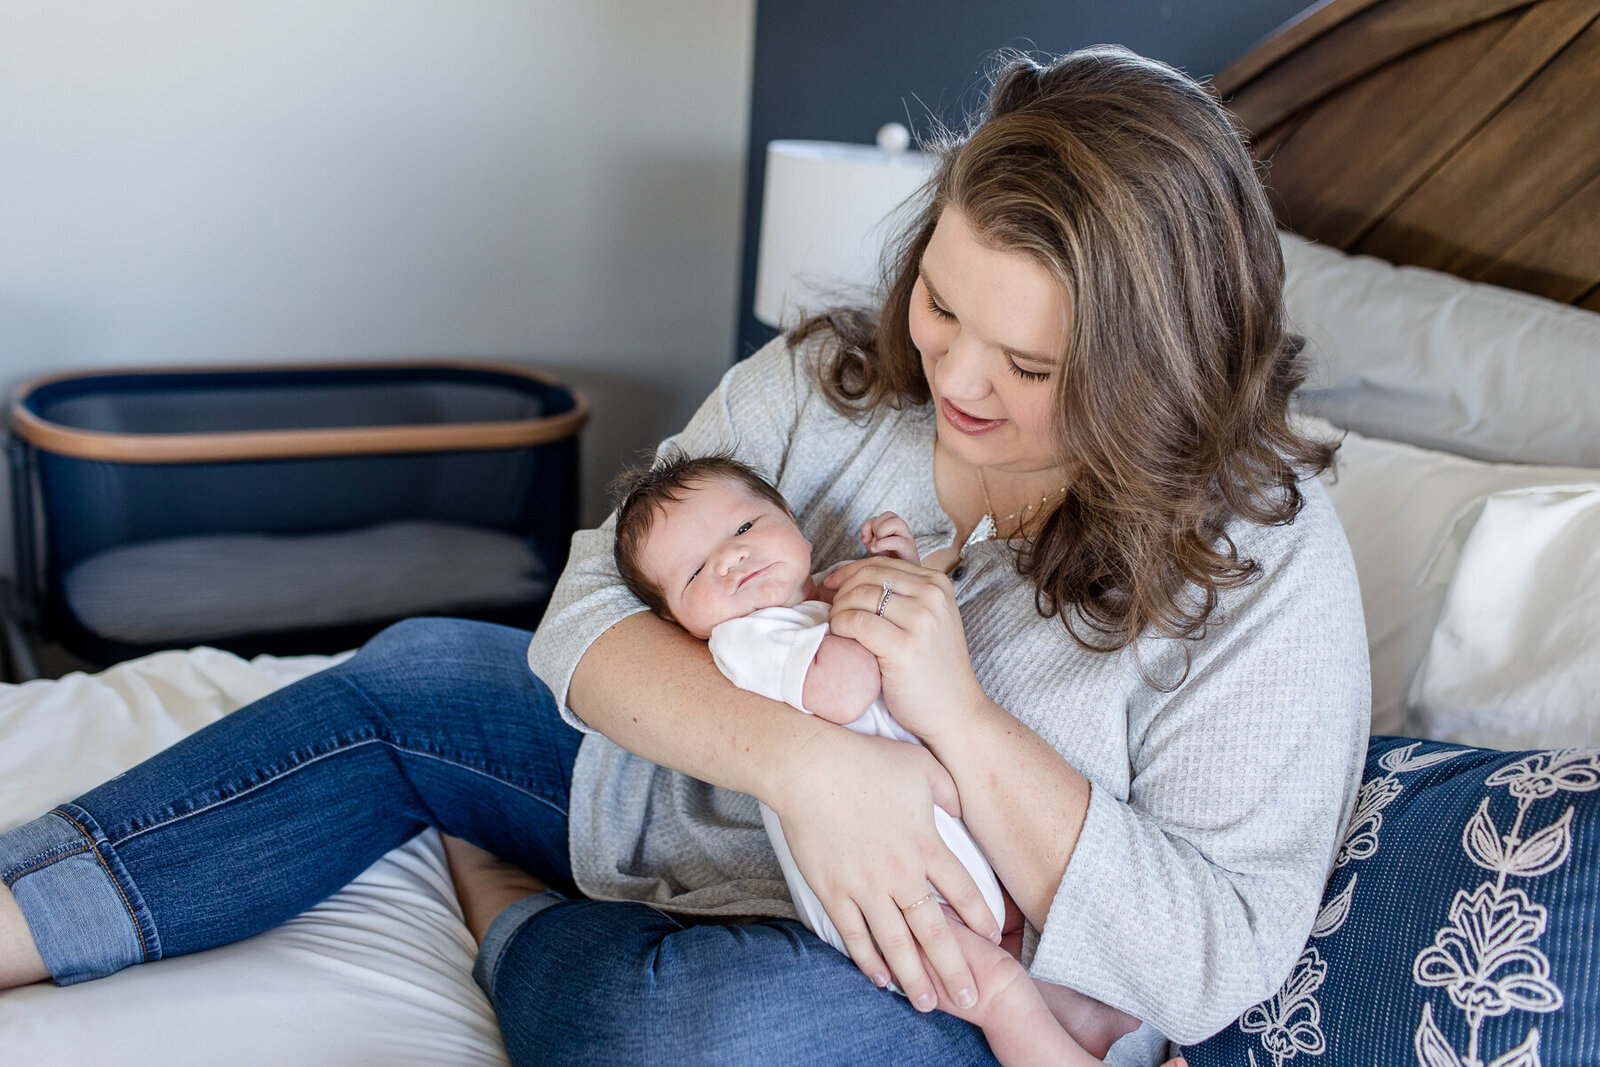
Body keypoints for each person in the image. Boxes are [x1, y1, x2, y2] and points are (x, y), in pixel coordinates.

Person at [0, 45, 1370, 1066]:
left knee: (694, 1027)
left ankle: (510, 915)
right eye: (940, 301)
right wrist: (809, 764)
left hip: (923, 966)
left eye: (1026, 362)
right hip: (687, 799)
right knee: (410, 672)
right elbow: (591, 598)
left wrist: (948, 717)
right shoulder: (830, 383)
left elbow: (1212, 954)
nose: (951, 371)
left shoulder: (1261, 563)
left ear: (1157, 363)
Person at [607, 450, 1145, 1066]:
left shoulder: (818, 601)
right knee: (997, 990)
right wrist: (876, 598)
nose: (731, 557)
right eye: (697, 571)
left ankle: (1095, 1027)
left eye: (744, 528)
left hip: (935, 843)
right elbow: (846, 688)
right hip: (886, 889)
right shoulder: (746, 640)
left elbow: (907, 635)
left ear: (789, 519)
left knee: (1018, 937)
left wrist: (896, 573)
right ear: (681, 622)